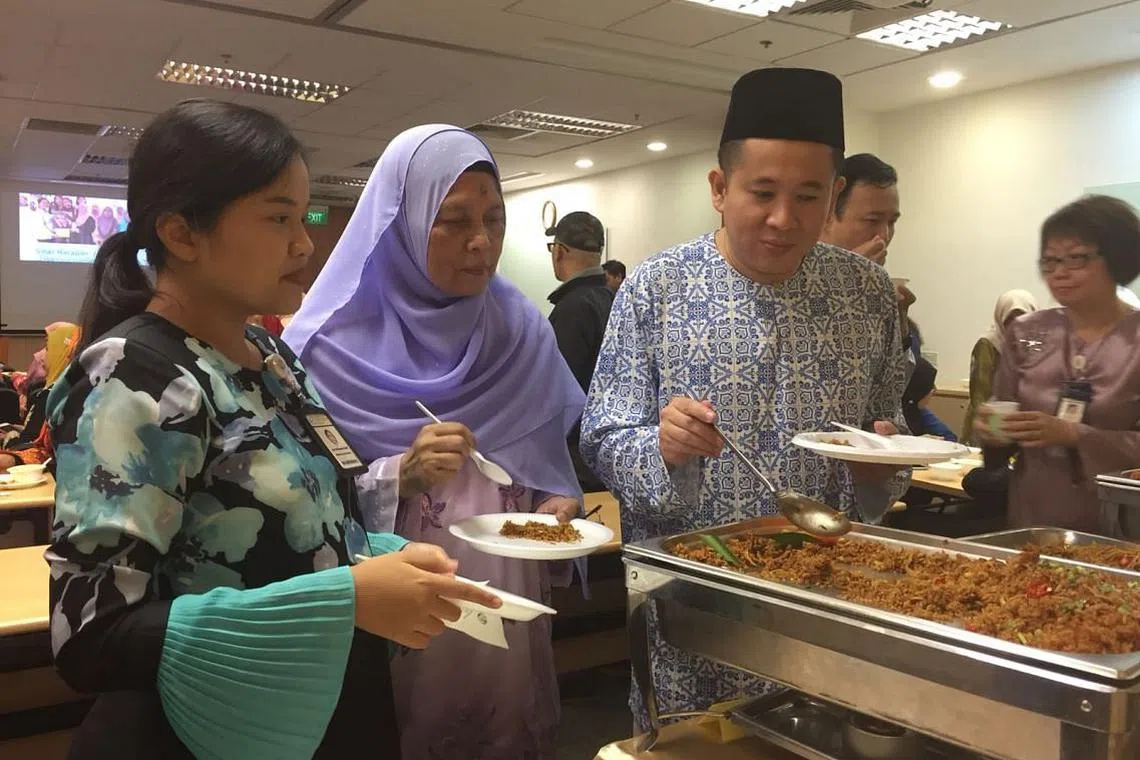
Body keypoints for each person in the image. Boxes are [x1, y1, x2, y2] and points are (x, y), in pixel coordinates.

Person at [45, 100, 499, 759]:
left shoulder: (270, 355)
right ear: (182, 234)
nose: (304, 244)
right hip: (207, 735)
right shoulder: (135, 375)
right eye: (279, 218)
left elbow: (305, 524)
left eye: (303, 217)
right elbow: (93, 636)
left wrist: (379, 556)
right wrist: (345, 601)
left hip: (323, 710)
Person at [580, 67, 909, 730]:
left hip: (826, 603)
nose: (783, 219)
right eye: (762, 192)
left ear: (833, 195)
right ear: (719, 188)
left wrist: (882, 461)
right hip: (693, 612)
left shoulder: (868, 293)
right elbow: (603, 436)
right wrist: (664, 448)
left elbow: (887, 423)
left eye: (808, 196)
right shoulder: (657, 288)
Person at [284, 125, 585, 760]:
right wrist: (400, 474)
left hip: (506, 598)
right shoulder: (326, 349)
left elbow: (544, 464)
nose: (482, 242)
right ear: (403, 221)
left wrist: (556, 506)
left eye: (494, 219)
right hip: (393, 606)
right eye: (454, 221)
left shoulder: (519, 328)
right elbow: (298, 506)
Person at [978, 195, 1140, 535]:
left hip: (1121, 524)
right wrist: (992, 432)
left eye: (1077, 259)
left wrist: (1075, 434)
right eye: (1050, 262)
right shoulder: (1027, 332)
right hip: (1033, 516)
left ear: (1118, 258)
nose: (1060, 273)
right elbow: (1002, 413)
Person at [819, 153, 916, 367]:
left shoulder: (878, 286)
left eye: (892, 222)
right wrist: (842, 287)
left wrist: (899, 322)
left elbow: (896, 382)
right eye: (872, 221)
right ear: (828, 216)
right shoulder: (788, 275)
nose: (884, 236)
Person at [546, 211, 614, 492]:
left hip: (578, 465)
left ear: (559, 251)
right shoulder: (614, 301)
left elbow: (556, 396)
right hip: (611, 458)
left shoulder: (571, 310)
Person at [961, 290, 1038, 443]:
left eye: (1023, 318)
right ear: (1001, 318)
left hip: (1023, 425)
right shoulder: (989, 344)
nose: (1017, 324)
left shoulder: (1036, 346)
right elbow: (980, 395)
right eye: (1010, 319)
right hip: (991, 424)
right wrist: (993, 430)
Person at [0, 321, 79, 471]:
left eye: (48, 348)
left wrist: (11, 446)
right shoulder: (59, 390)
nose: (41, 356)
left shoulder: (55, 396)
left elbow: (41, 448)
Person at [903, 356, 956, 441]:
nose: (934, 390)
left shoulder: (920, 411)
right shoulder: (892, 415)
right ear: (919, 390)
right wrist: (916, 441)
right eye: (930, 385)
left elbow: (950, 437)